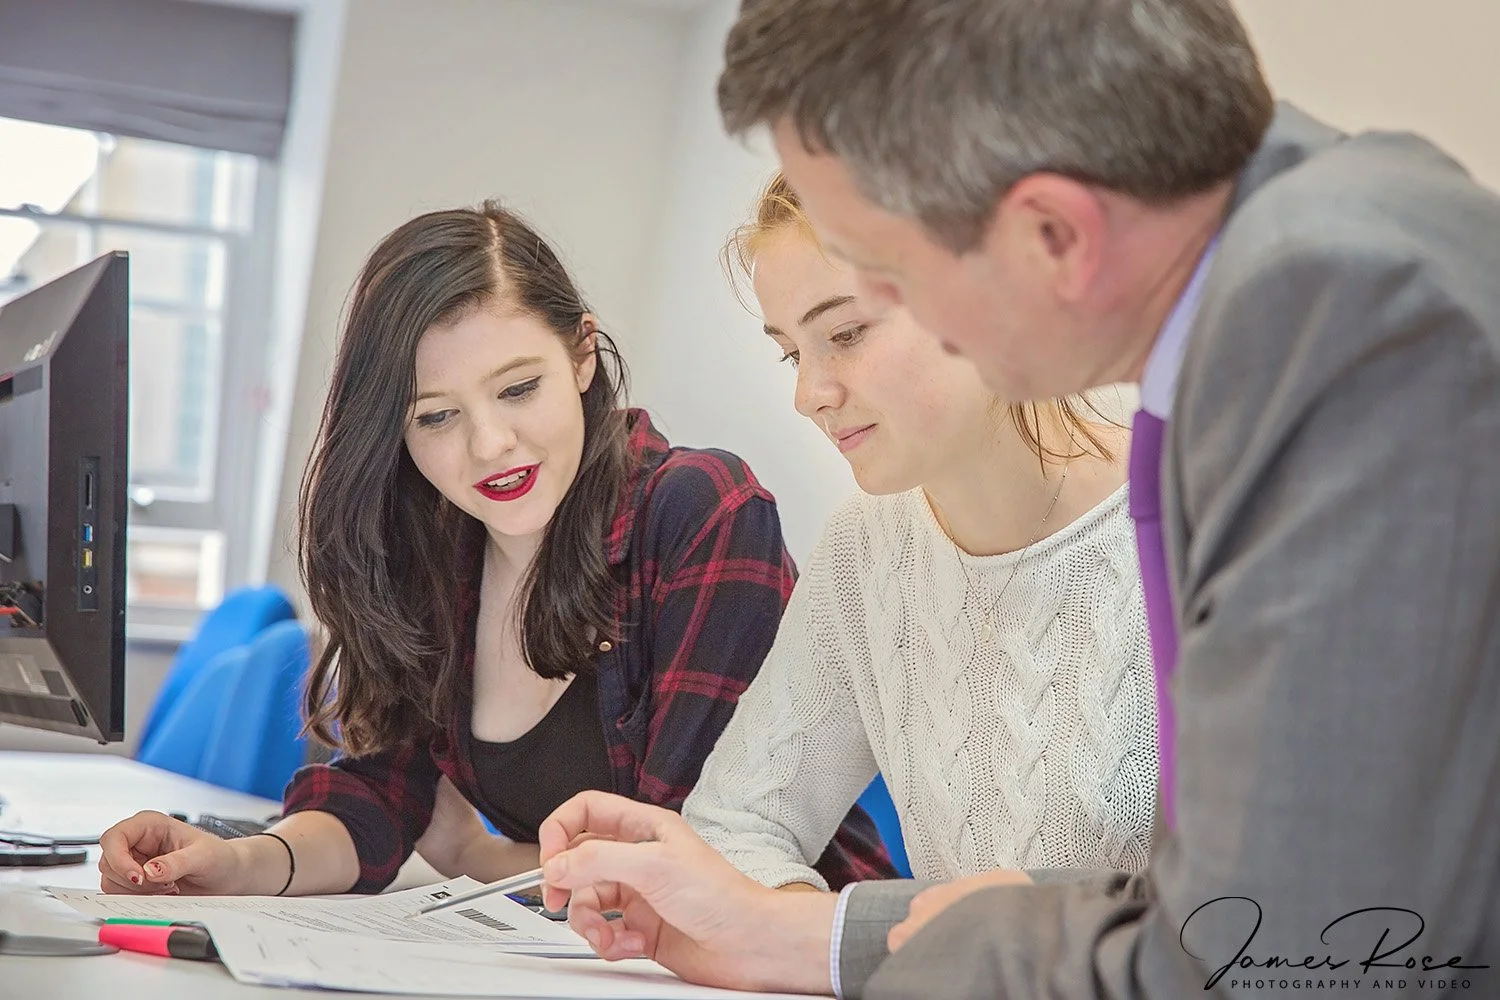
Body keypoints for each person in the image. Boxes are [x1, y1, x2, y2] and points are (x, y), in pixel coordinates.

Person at [533, 1, 1500, 998]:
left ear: (1053, 231)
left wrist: (938, 933)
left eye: (894, 276)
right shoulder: (1324, 263)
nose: (818, 382)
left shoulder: (1351, 336)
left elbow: (1286, 957)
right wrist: (808, 934)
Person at [94, 202, 892, 898]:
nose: (490, 445)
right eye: (435, 416)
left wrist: (479, 854)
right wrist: (238, 862)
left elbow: (680, 861)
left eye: (517, 389)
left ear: (582, 355)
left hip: (777, 959)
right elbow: (376, 800)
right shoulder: (437, 552)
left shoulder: (699, 512)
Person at [680, 171, 1155, 894]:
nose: (810, 395)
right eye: (792, 353)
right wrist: (813, 936)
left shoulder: (1193, 522)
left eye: (845, 334)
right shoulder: (866, 550)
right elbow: (733, 825)